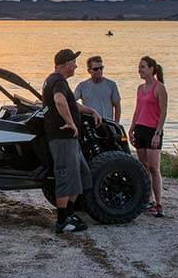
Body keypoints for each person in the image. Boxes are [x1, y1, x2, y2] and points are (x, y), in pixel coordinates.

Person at [42, 48, 101, 234]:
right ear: (67, 64)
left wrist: (90, 110)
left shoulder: (56, 80)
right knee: (65, 176)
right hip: (62, 137)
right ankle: (62, 221)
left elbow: (70, 103)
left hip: (69, 139)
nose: (76, 65)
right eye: (74, 62)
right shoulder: (58, 81)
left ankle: (69, 213)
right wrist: (70, 123)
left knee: (82, 174)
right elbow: (59, 101)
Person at [128, 56, 168, 217]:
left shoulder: (159, 88)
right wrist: (131, 129)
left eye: (143, 67)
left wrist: (158, 133)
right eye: (139, 67)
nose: (140, 70)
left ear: (152, 69)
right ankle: (148, 200)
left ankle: (159, 204)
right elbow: (137, 110)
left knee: (154, 168)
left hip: (153, 131)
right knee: (143, 167)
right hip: (140, 129)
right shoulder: (140, 88)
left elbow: (163, 112)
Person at [74, 55, 121, 124]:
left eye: (101, 68)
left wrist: (117, 124)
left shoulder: (111, 85)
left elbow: (117, 106)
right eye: (96, 69)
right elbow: (71, 101)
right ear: (89, 71)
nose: (99, 71)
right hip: (90, 125)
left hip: (107, 124)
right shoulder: (82, 86)